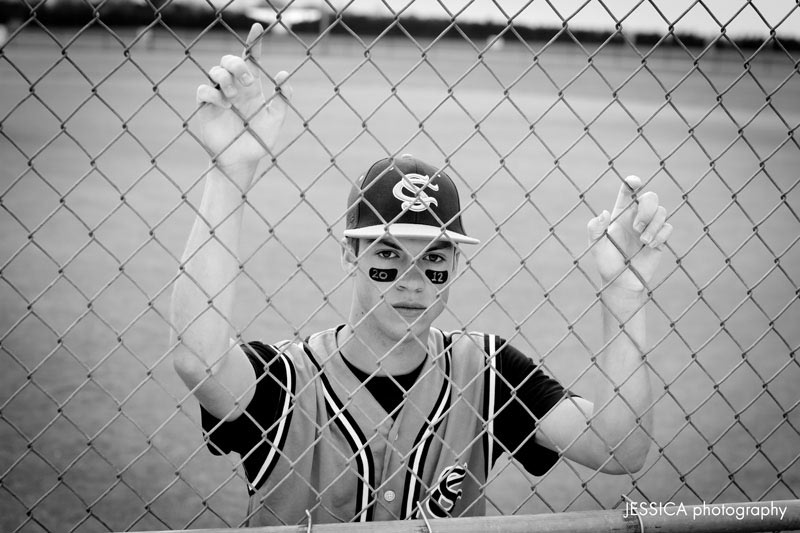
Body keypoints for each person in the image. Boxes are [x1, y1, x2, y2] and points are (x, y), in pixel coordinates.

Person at [170, 23, 673, 527]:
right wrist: (229, 172)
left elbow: (618, 449)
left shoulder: (487, 372)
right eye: (389, 256)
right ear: (351, 254)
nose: (412, 279)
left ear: (455, 265)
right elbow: (200, 363)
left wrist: (623, 295)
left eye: (434, 259)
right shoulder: (286, 381)